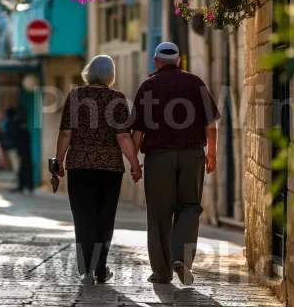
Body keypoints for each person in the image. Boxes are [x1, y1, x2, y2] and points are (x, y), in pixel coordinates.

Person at [130, 42, 220, 286]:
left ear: (156, 61)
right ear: (179, 61)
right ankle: (181, 258)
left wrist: (134, 162)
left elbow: (138, 129)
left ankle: (162, 272)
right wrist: (211, 154)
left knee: (159, 214)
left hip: (159, 158)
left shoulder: (148, 85)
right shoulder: (196, 82)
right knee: (190, 207)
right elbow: (210, 125)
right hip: (192, 155)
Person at [54, 55, 142, 285]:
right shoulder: (117, 99)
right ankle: (101, 269)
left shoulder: (75, 96)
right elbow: (123, 136)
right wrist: (134, 164)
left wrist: (60, 161)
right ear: (110, 75)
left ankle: (86, 271)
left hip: (79, 166)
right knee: (105, 218)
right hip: (110, 168)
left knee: (83, 217)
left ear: (89, 72)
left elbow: (65, 133)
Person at [14, 118, 34, 194]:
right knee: (23, 171)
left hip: (26, 155)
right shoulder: (21, 132)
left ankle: (28, 186)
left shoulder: (25, 132)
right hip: (23, 154)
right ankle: (23, 186)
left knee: (26, 170)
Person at [0, 107, 20, 176]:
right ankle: (18, 178)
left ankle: (18, 178)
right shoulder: (11, 123)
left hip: (11, 146)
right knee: (15, 163)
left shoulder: (8, 123)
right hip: (12, 146)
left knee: (16, 164)